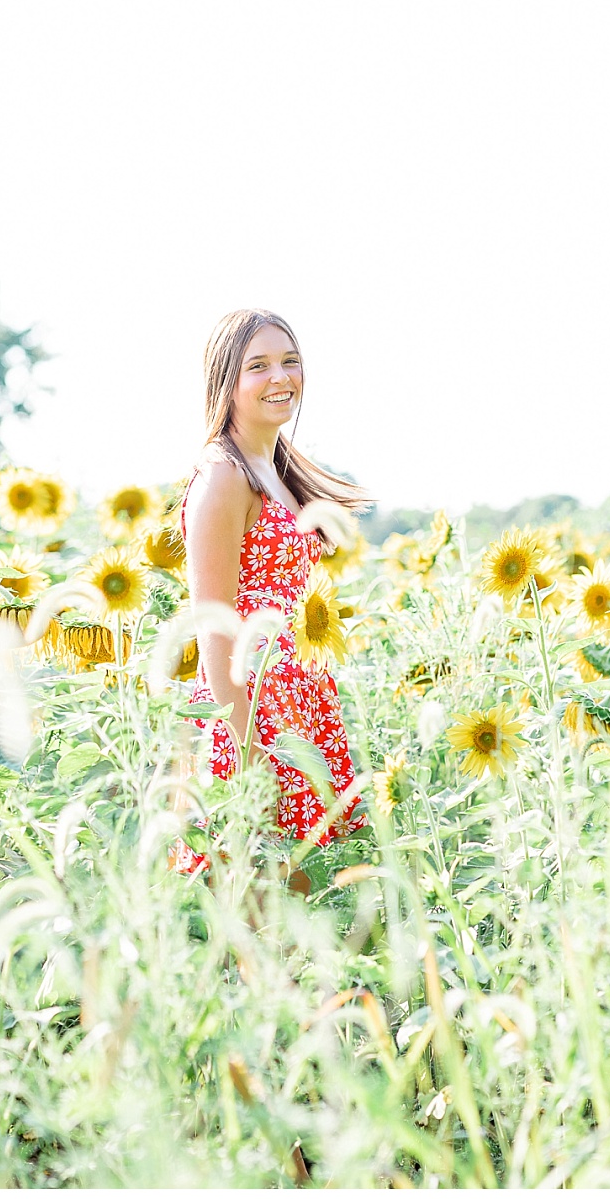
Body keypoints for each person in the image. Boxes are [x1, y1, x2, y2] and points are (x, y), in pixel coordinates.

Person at [172, 308, 371, 876]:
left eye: (290, 361)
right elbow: (212, 624)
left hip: (298, 706)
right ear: (226, 382)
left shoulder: (275, 468)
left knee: (303, 908)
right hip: (251, 710)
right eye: (257, 366)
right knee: (255, 908)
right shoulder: (223, 475)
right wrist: (246, 751)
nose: (280, 377)